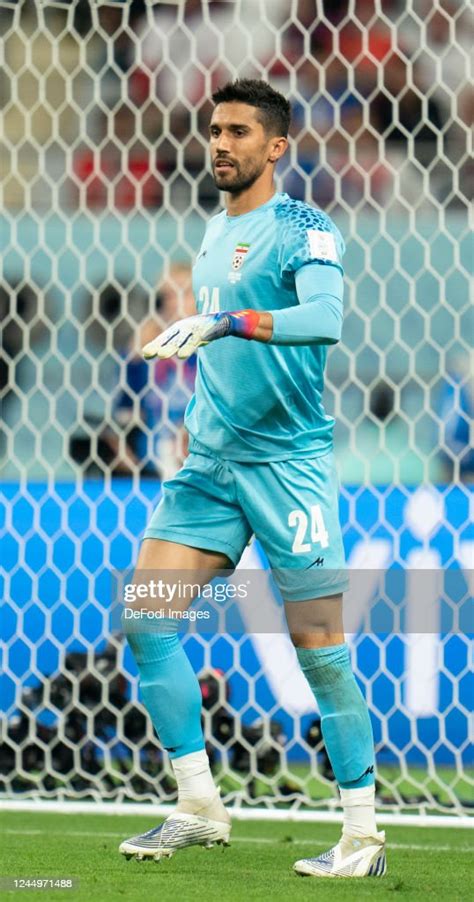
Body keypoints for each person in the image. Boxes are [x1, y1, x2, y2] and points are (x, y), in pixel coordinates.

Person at [119, 79, 386, 879]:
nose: (220, 144)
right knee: (146, 620)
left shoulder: (305, 227)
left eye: (238, 132)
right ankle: (199, 805)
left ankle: (363, 840)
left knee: (321, 652)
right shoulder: (209, 232)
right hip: (210, 466)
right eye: (213, 130)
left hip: (286, 468)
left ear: (276, 146)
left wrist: (232, 321)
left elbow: (325, 320)